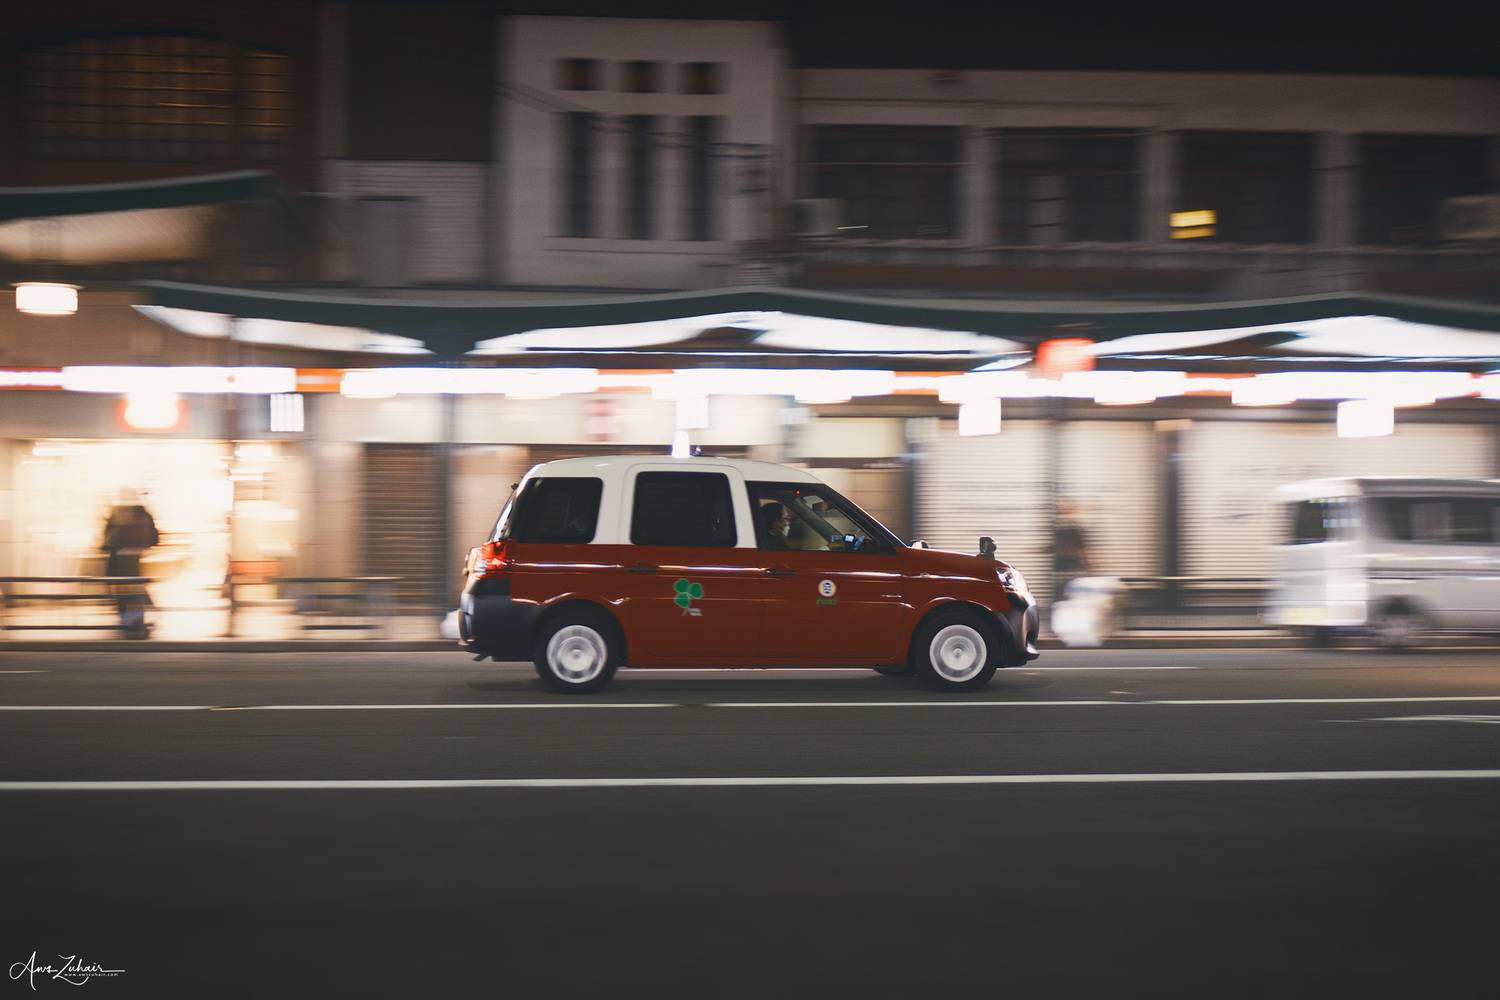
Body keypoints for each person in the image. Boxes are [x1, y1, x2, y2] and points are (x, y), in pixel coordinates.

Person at [101, 491, 159, 639]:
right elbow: (154, 537)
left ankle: (131, 622)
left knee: (126, 591)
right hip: (132, 556)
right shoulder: (141, 512)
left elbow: (107, 538)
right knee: (132, 589)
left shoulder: (119, 513)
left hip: (121, 557)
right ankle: (135, 622)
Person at [1052, 501, 1092, 598]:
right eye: (1064, 510)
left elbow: (1082, 547)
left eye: (1069, 510)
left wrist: (1087, 563)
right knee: (1061, 588)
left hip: (1072, 563)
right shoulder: (1058, 528)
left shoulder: (1076, 528)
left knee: (1073, 588)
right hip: (1062, 563)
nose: (1067, 513)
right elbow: (1055, 546)